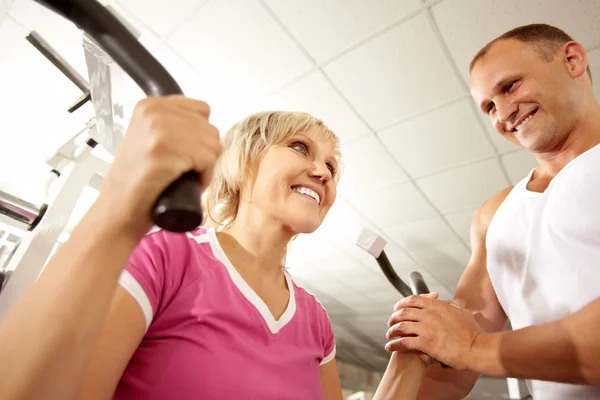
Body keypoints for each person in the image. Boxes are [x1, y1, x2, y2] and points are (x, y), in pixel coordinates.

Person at [0, 95, 430, 400]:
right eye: (300, 147)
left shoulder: (316, 320)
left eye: (332, 166)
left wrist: (409, 357)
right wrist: (119, 201)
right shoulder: (167, 257)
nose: (322, 172)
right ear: (243, 162)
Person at [385, 23, 600, 399]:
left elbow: (466, 345)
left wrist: (469, 348)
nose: (503, 113)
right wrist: (424, 338)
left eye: (510, 86)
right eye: (488, 107)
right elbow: (450, 364)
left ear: (572, 60)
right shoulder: (495, 214)